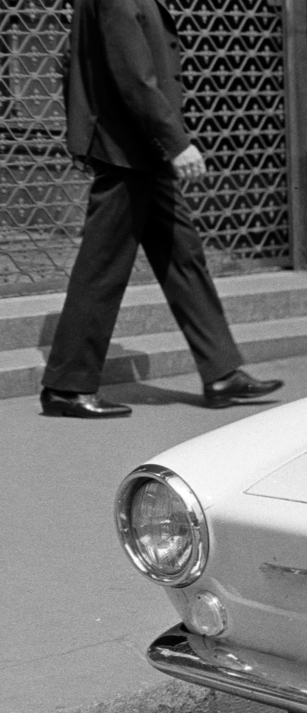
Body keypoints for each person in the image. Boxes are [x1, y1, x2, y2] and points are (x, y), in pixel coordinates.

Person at [40, 0, 281, 418]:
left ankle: (222, 372)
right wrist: (176, 142)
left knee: (182, 256)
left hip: (138, 150)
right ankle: (67, 385)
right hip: (125, 150)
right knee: (103, 266)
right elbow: (132, 77)